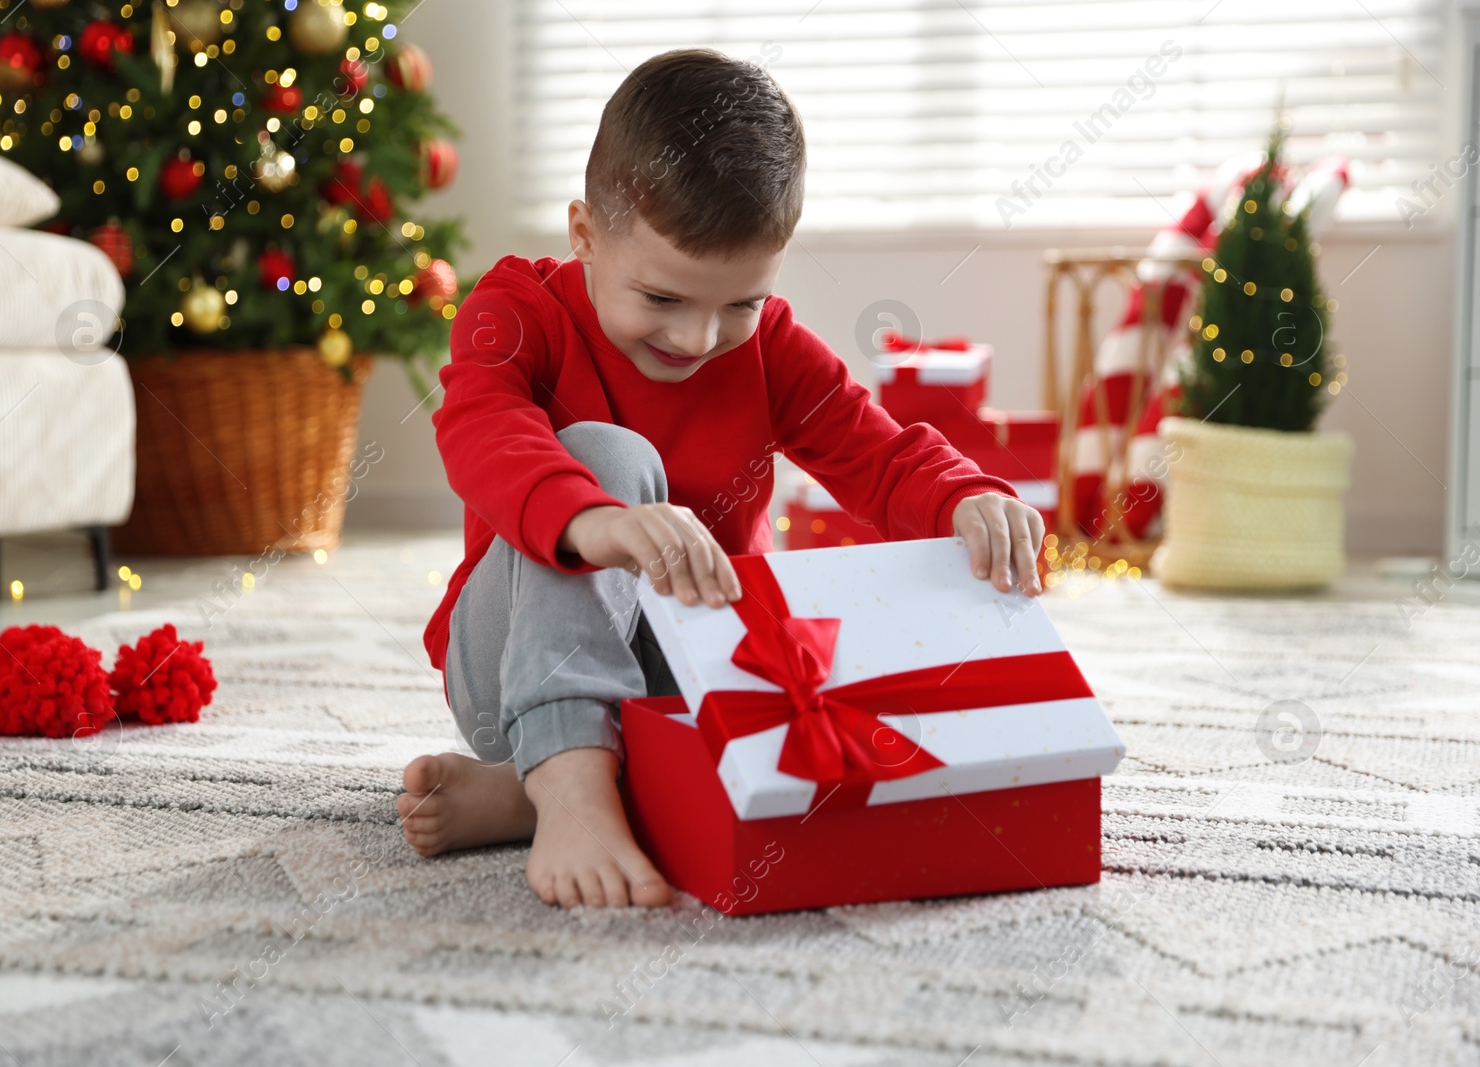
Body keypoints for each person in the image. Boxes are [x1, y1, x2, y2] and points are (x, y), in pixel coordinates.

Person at [397, 47, 1045, 909]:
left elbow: (881, 454)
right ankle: (566, 777)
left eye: (739, 303)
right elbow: (485, 431)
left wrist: (967, 494)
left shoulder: (769, 349)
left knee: (797, 685)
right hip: (513, 670)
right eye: (663, 300)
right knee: (609, 453)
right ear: (585, 235)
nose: (700, 339)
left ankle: (520, 793)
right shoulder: (518, 313)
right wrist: (598, 521)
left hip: (682, 690)